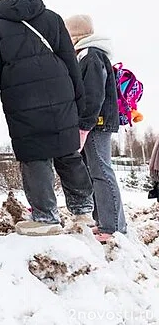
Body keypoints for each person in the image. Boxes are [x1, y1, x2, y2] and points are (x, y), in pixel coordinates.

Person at [0, 0, 94, 236]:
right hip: (60, 92)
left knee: (35, 156)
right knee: (68, 151)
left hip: (23, 99)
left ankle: (45, 217)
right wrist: (79, 99)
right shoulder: (52, 18)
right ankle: (83, 211)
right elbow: (69, 61)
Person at [65, 15, 127, 242]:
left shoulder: (91, 55)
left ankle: (112, 227)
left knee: (101, 170)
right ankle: (106, 222)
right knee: (95, 171)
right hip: (94, 122)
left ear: (76, 35)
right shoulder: (87, 54)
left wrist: (84, 125)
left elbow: (93, 95)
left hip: (96, 123)